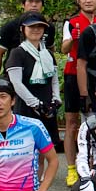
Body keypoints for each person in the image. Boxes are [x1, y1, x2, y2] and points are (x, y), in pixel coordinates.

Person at [61, 0, 96, 187]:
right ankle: (71, 168)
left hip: (94, 77)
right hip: (72, 75)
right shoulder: (71, 22)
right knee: (72, 123)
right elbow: (63, 48)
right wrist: (72, 39)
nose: (88, 0)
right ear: (78, 0)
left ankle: (92, 166)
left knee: (94, 123)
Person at [5, 11, 61, 152]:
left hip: (47, 106)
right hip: (26, 108)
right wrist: (35, 104)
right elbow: (16, 83)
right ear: (23, 29)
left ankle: (42, 175)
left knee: (45, 149)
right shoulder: (17, 53)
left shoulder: (48, 54)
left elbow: (54, 79)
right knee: (26, 150)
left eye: (40, 27)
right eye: (31, 26)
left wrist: (56, 99)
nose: (36, 30)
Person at [0, 0, 56, 77]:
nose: (34, 5)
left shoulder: (49, 27)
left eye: (37, 1)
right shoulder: (10, 27)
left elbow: (51, 51)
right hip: (14, 75)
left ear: (42, 5)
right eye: (30, 1)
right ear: (23, 4)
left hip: (41, 77)